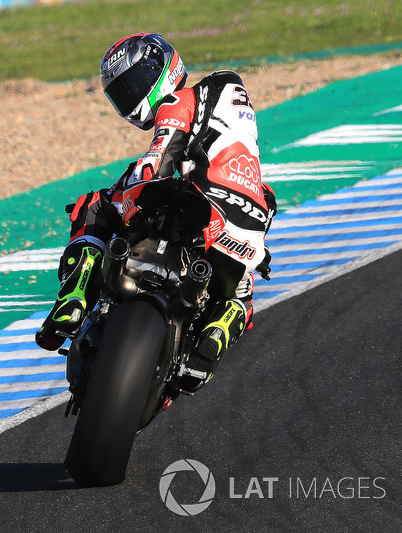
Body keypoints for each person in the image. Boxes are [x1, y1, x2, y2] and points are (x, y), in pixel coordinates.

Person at [34, 33, 276, 392]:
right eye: (121, 93)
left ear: (161, 70)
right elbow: (266, 202)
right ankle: (220, 327)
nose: (130, 98)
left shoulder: (181, 101)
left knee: (94, 206)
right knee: (242, 291)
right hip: (249, 219)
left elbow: (160, 160)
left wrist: (131, 186)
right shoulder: (233, 107)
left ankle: (76, 292)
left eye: (133, 85)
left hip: (201, 200)